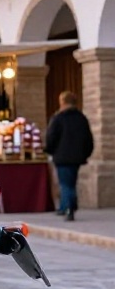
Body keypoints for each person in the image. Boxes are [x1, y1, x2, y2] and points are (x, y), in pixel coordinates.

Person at [45, 91, 94, 221]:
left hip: (62, 156)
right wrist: (86, 153)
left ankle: (69, 208)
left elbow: (51, 137)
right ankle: (64, 206)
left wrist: (49, 150)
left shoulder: (58, 118)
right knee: (71, 181)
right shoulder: (81, 118)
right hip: (77, 157)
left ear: (62, 102)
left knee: (65, 184)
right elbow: (88, 138)